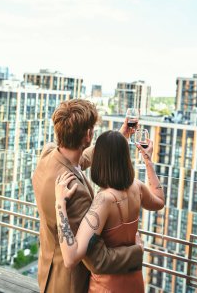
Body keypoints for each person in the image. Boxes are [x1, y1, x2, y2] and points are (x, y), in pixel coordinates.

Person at [32, 99, 143, 293]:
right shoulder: (75, 192)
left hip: (47, 269)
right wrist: (137, 252)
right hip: (68, 284)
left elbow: (80, 160)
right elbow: (97, 259)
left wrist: (120, 135)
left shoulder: (48, 154)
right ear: (89, 135)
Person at [55, 130, 165, 293]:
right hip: (134, 281)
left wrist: (60, 203)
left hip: (107, 287)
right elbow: (159, 201)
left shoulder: (104, 200)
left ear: (99, 161)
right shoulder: (137, 187)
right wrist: (147, 159)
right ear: (125, 159)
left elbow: (71, 258)